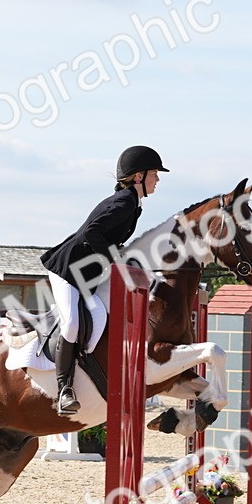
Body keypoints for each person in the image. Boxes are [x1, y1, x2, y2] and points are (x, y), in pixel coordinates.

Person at [39, 145, 168, 414]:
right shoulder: (124, 202)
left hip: (87, 273)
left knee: (98, 314)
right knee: (72, 323)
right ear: (138, 177)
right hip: (66, 270)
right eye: (154, 174)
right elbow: (92, 233)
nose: (158, 179)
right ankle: (65, 390)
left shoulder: (132, 202)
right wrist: (115, 259)